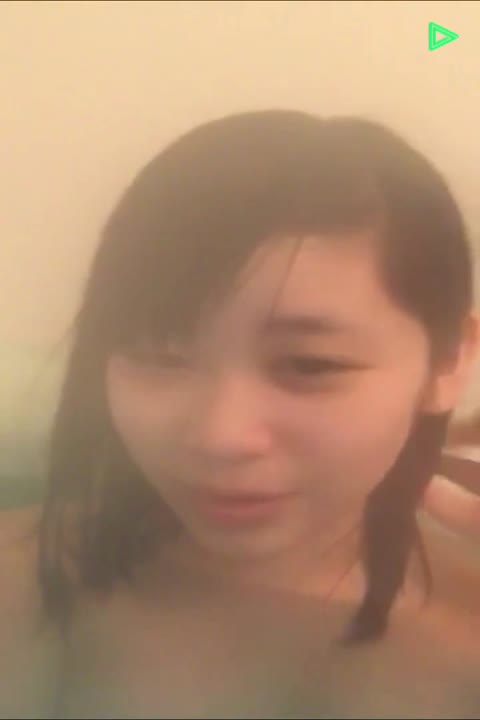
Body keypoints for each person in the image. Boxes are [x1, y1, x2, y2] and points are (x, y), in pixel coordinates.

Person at [1, 110, 480, 719]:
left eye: (309, 365)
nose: (219, 437)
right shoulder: (17, 578)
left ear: (449, 362)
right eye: (158, 356)